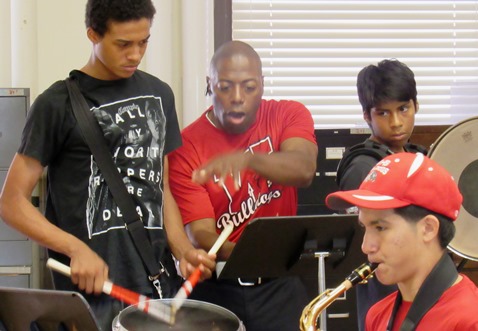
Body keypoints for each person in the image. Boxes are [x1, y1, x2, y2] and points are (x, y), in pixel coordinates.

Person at [0, 1, 215, 329]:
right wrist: (74, 249)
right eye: (123, 44)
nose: (135, 54)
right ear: (93, 35)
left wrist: (182, 249)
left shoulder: (160, 94)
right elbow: (12, 202)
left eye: (143, 42)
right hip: (91, 294)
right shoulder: (55, 105)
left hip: (156, 283)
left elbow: (162, 188)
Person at [168, 40, 318, 331]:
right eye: (225, 86)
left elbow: (304, 169)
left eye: (249, 87)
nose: (237, 97)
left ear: (262, 84)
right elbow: (201, 234)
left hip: (282, 286)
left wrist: (247, 160)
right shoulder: (186, 147)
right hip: (219, 291)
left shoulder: (288, 114)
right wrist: (259, 254)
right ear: (209, 85)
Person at [326, 152, 478, 330]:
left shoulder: (470, 319)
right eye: (364, 227)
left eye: (380, 228)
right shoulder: (377, 315)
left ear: (428, 228)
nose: (366, 247)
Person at [335, 59, 427, 330]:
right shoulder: (362, 166)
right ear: (367, 116)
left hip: (424, 283)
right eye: (383, 113)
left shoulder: (420, 156)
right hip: (385, 290)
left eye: (403, 109)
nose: (396, 122)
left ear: (416, 106)